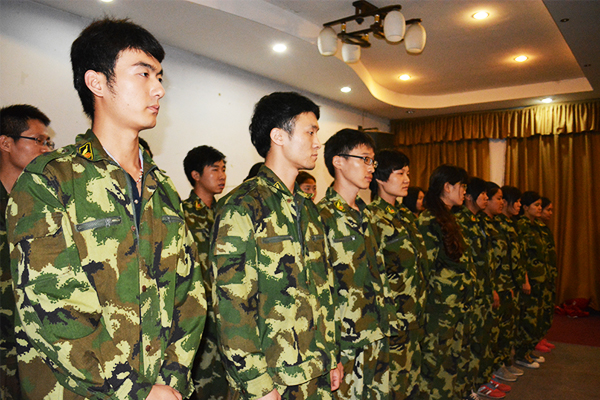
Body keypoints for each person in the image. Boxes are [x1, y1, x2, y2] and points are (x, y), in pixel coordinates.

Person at [6, 19, 206, 400]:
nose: (159, 89)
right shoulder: (51, 180)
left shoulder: (162, 187)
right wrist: (136, 391)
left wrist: (171, 381)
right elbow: (52, 305)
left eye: (159, 76)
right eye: (143, 74)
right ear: (97, 82)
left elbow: (190, 295)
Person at [210, 92, 341, 400]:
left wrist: (332, 355)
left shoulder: (308, 208)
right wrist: (257, 384)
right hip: (271, 380)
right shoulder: (243, 206)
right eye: (310, 132)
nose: (317, 143)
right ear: (278, 136)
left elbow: (323, 289)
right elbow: (231, 306)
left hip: (316, 371)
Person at [318, 129, 398, 400]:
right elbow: (320, 289)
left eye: (372, 161)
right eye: (364, 159)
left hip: (376, 331)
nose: (371, 168)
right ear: (338, 161)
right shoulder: (322, 216)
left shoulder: (367, 214)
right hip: (345, 341)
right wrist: (330, 352)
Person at [0, 104, 53, 400]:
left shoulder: (46, 204)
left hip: (38, 348)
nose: (46, 149)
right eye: (38, 140)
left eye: (48, 141)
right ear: (6, 143)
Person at [368, 149, 428, 400]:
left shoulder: (405, 216)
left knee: (412, 379)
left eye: (408, 174)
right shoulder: (372, 218)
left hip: (414, 314)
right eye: (400, 173)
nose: (407, 180)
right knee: (393, 384)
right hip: (393, 320)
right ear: (380, 178)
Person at [415, 164, 476, 400]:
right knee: (434, 361)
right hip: (439, 307)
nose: (464, 192)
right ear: (447, 187)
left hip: (455, 303)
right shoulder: (429, 220)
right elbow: (425, 269)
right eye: (462, 186)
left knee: (452, 359)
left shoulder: (449, 217)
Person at [453, 177, 506, 399]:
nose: (485, 197)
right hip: (471, 292)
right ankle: (471, 386)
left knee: (482, 338)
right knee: (470, 341)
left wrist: (491, 288)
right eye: (482, 194)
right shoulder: (460, 221)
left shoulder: (477, 221)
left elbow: (486, 260)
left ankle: (480, 380)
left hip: (483, 289)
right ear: (469, 197)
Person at [183, 145, 228, 399]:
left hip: (228, 316)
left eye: (224, 169)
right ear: (196, 175)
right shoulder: (182, 214)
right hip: (198, 319)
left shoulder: (228, 214)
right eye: (215, 170)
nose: (222, 176)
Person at [496, 186, 528, 377]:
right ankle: (499, 366)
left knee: (510, 326)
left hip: (511, 282)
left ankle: (507, 361)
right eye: (515, 201)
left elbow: (517, 256)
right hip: (501, 283)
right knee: (501, 328)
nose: (518, 205)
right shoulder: (497, 224)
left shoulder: (511, 223)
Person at [514, 191, 546, 369]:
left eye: (541, 205)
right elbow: (522, 255)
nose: (540, 208)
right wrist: (525, 280)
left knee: (535, 317)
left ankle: (527, 350)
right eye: (536, 205)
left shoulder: (536, 226)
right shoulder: (522, 226)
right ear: (526, 207)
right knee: (527, 317)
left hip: (539, 278)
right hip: (529, 280)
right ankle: (521, 354)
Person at [536, 197, 557, 352]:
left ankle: (540, 336)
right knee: (535, 310)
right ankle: (534, 340)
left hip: (546, 273)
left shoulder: (542, 228)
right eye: (547, 209)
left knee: (545, 308)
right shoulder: (530, 227)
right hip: (536, 276)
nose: (550, 213)